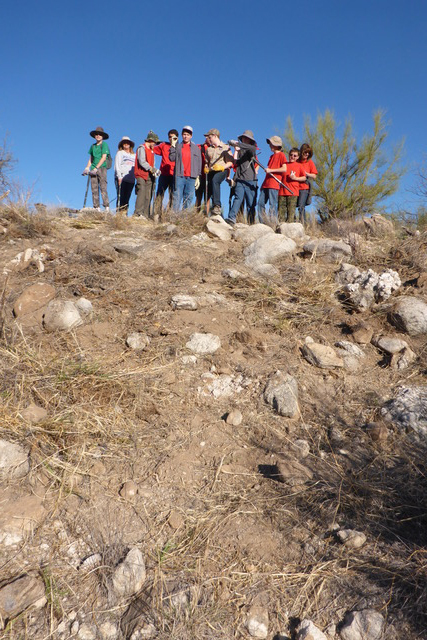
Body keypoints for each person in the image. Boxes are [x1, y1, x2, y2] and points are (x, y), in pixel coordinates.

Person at [227, 130, 258, 225]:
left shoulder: (252, 148)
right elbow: (234, 162)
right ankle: (231, 218)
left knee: (250, 203)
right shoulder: (240, 150)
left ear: (250, 140)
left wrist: (237, 144)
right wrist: (236, 150)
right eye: (244, 138)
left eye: (247, 138)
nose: (245, 139)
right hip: (240, 179)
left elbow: (250, 149)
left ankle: (251, 222)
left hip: (250, 180)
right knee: (238, 198)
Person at [169, 126, 202, 211]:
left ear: (191, 136)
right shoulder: (178, 146)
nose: (186, 136)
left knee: (188, 198)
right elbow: (171, 158)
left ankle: (184, 218)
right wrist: (172, 146)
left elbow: (199, 163)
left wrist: (198, 176)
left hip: (191, 177)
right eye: (184, 134)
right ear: (182, 135)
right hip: (179, 176)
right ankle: (174, 218)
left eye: (188, 134)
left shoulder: (196, 148)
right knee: (177, 197)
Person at [204, 129, 234, 216]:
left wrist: (222, 167)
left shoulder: (225, 147)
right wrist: (206, 167)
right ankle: (207, 210)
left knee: (215, 181)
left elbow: (230, 162)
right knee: (208, 188)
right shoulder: (209, 149)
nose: (209, 139)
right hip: (211, 171)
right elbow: (207, 161)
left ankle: (217, 206)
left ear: (215, 136)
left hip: (222, 170)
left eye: (210, 137)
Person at [257, 136, 287, 221]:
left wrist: (271, 170)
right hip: (266, 183)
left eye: (271, 144)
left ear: (276, 145)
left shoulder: (281, 155)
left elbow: (284, 169)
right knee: (260, 203)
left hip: (274, 184)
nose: (270, 145)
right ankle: (262, 223)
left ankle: (272, 222)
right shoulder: (271, 156)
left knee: (272, 204)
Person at [82, 126, 110, 211]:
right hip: (93, 169)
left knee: (103, 187)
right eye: (96, 134)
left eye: (100, 134)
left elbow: (104, 157)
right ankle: (97, 207)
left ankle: (106, 207)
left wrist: (96, 168)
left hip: (101, 168)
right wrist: (87, 167)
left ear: (102, 136)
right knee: (94, 188)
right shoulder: (93, 146)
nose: (98, 136)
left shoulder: (104, 145)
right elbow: (91, 158)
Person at [153, 129, 178, 218]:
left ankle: (169, 215)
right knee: (160, 193)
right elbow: (153, 149)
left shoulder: (179, 147)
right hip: (164, 174)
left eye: (174, 137)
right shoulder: (164, 145)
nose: (171, 139)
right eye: (170, 137)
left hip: (174, 175)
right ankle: (156, 213)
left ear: (177, 138)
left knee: (172, 195)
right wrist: (154, 141)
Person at [134, 131, 159, 218]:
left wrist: (155, 171)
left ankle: (145, 215)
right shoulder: (142, 148)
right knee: (142, 192)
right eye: (154, 142)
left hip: (149, 175)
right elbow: (142, 162)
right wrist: (151, 169)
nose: (155, 144)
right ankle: (137, 213)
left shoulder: (152, 151)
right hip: (141, 174)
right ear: (150, 140)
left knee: (148, 195)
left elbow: (153, 164)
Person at [278, 147, 306, 223]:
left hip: (293, 192)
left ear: (297, 157)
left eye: (295, 155)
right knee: (281, 214)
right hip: (282, 192)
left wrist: (295, 178)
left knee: (291, 214)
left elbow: (304, 178)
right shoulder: (284, 165)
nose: (292, 157)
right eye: (291, 155)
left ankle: (290, 231)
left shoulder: (299, 166)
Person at [114, 136, 136, 215]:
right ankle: (119, 214)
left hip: (131, 179)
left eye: (127, 142)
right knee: (121, 196)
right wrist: (119, 176)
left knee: (127, 198)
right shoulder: (120, 153)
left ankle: (125, 214)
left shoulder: (134, 155)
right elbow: (117, 165)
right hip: (122, 178)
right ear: (122, 144)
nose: (126, 144)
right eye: (124, 143)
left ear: (130, 144)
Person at [298, 143, 318, 223]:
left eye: (308, 153)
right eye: (305, 152)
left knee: (301, 206)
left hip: (304, 188)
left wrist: (307, 174)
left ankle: (303, 224)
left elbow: (314, 176)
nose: (307, 154)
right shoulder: (297, 161)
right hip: (295, 187)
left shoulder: (310, 163)